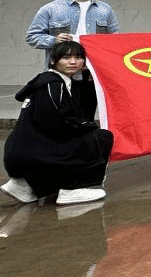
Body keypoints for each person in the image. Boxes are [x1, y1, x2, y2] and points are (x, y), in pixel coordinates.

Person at [2, 41, 113, 205]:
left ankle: (25, 185)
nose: (73, 62)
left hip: (21, 151)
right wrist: (88, 128)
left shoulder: (50, 82)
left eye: (78, 57)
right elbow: (56, 123)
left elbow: (77, 114)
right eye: (66, 58)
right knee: (102, 138)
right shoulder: (52, 84)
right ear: (54, 60)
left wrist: (88, 82)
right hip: (32, 155)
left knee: (86, 135)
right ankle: (72, 189)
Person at [26, 0, 120, 66]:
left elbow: (115, 39)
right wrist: (54, 40)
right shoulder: (51, 8)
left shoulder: (105, 9)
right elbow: (32, 37)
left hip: (95, 68)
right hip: (62, 68)